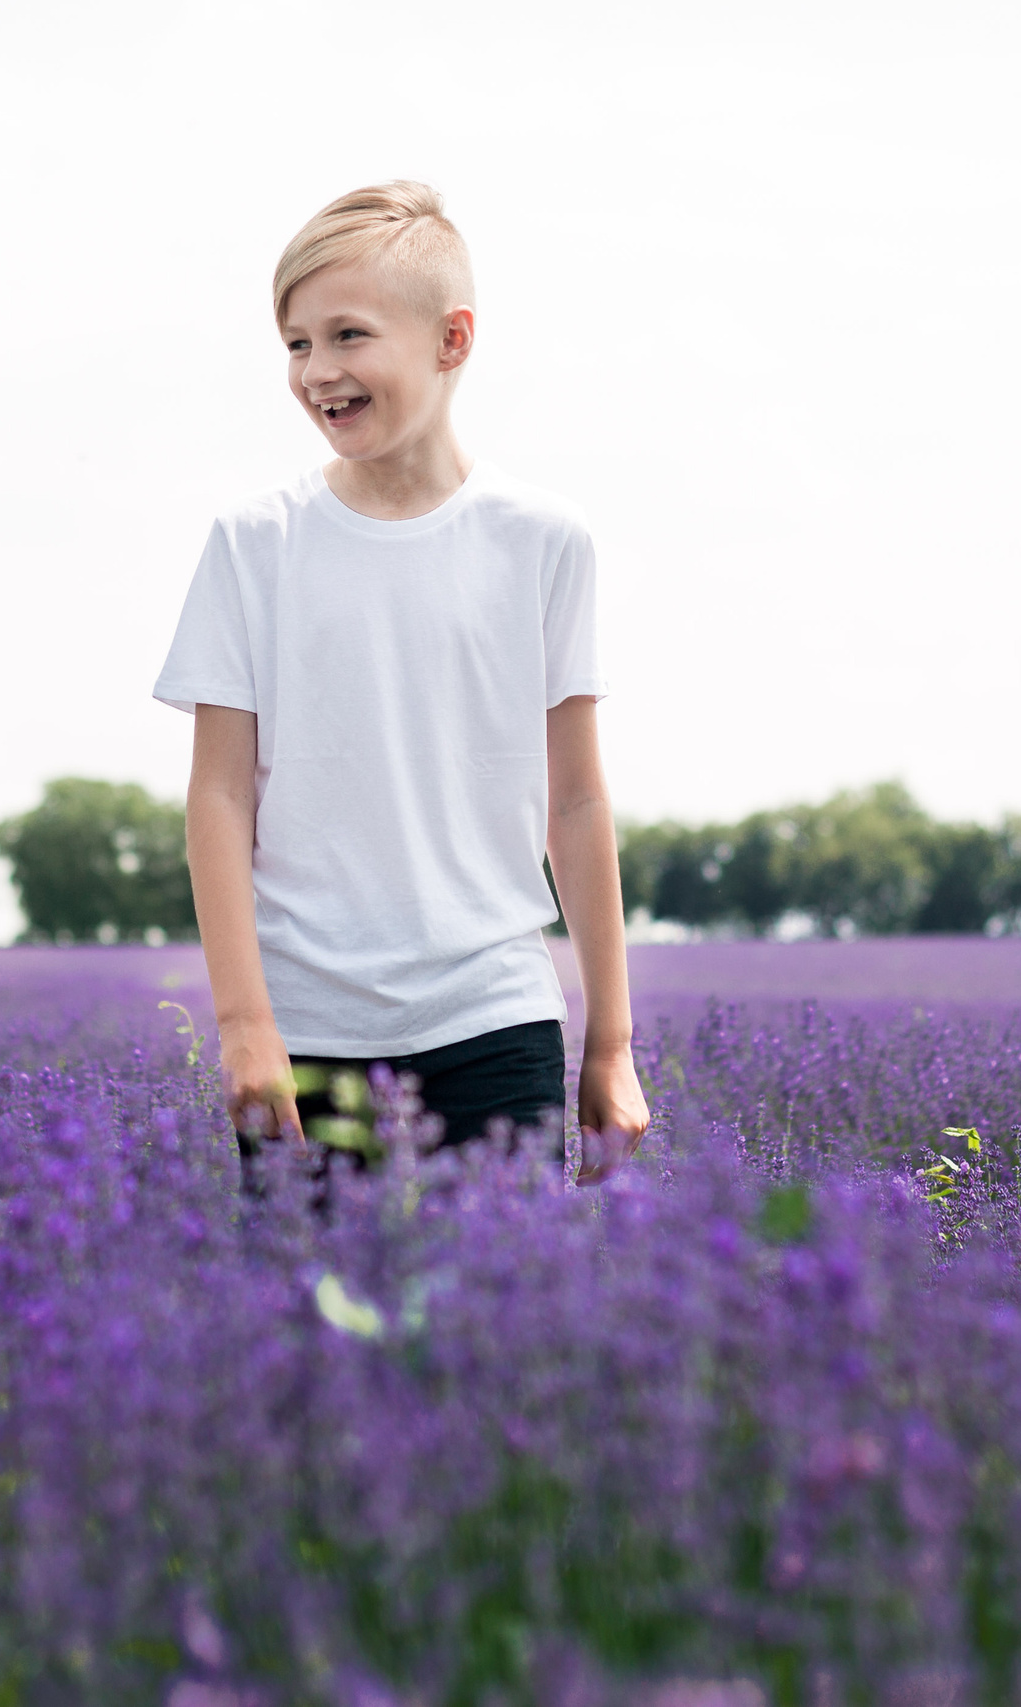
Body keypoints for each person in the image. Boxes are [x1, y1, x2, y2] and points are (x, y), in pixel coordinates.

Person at [153, 180, 650, 1183]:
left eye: (348, 336)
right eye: (296, 343)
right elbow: (216, 794)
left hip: (495, 1015)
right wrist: (246, 1026)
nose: (316, 371)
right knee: (308, 1338)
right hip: (306, 1028)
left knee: (495, 1335)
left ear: (452, 340)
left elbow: (579, 797)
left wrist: (612, 1042)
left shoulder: (542, 541)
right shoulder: (256, 543)